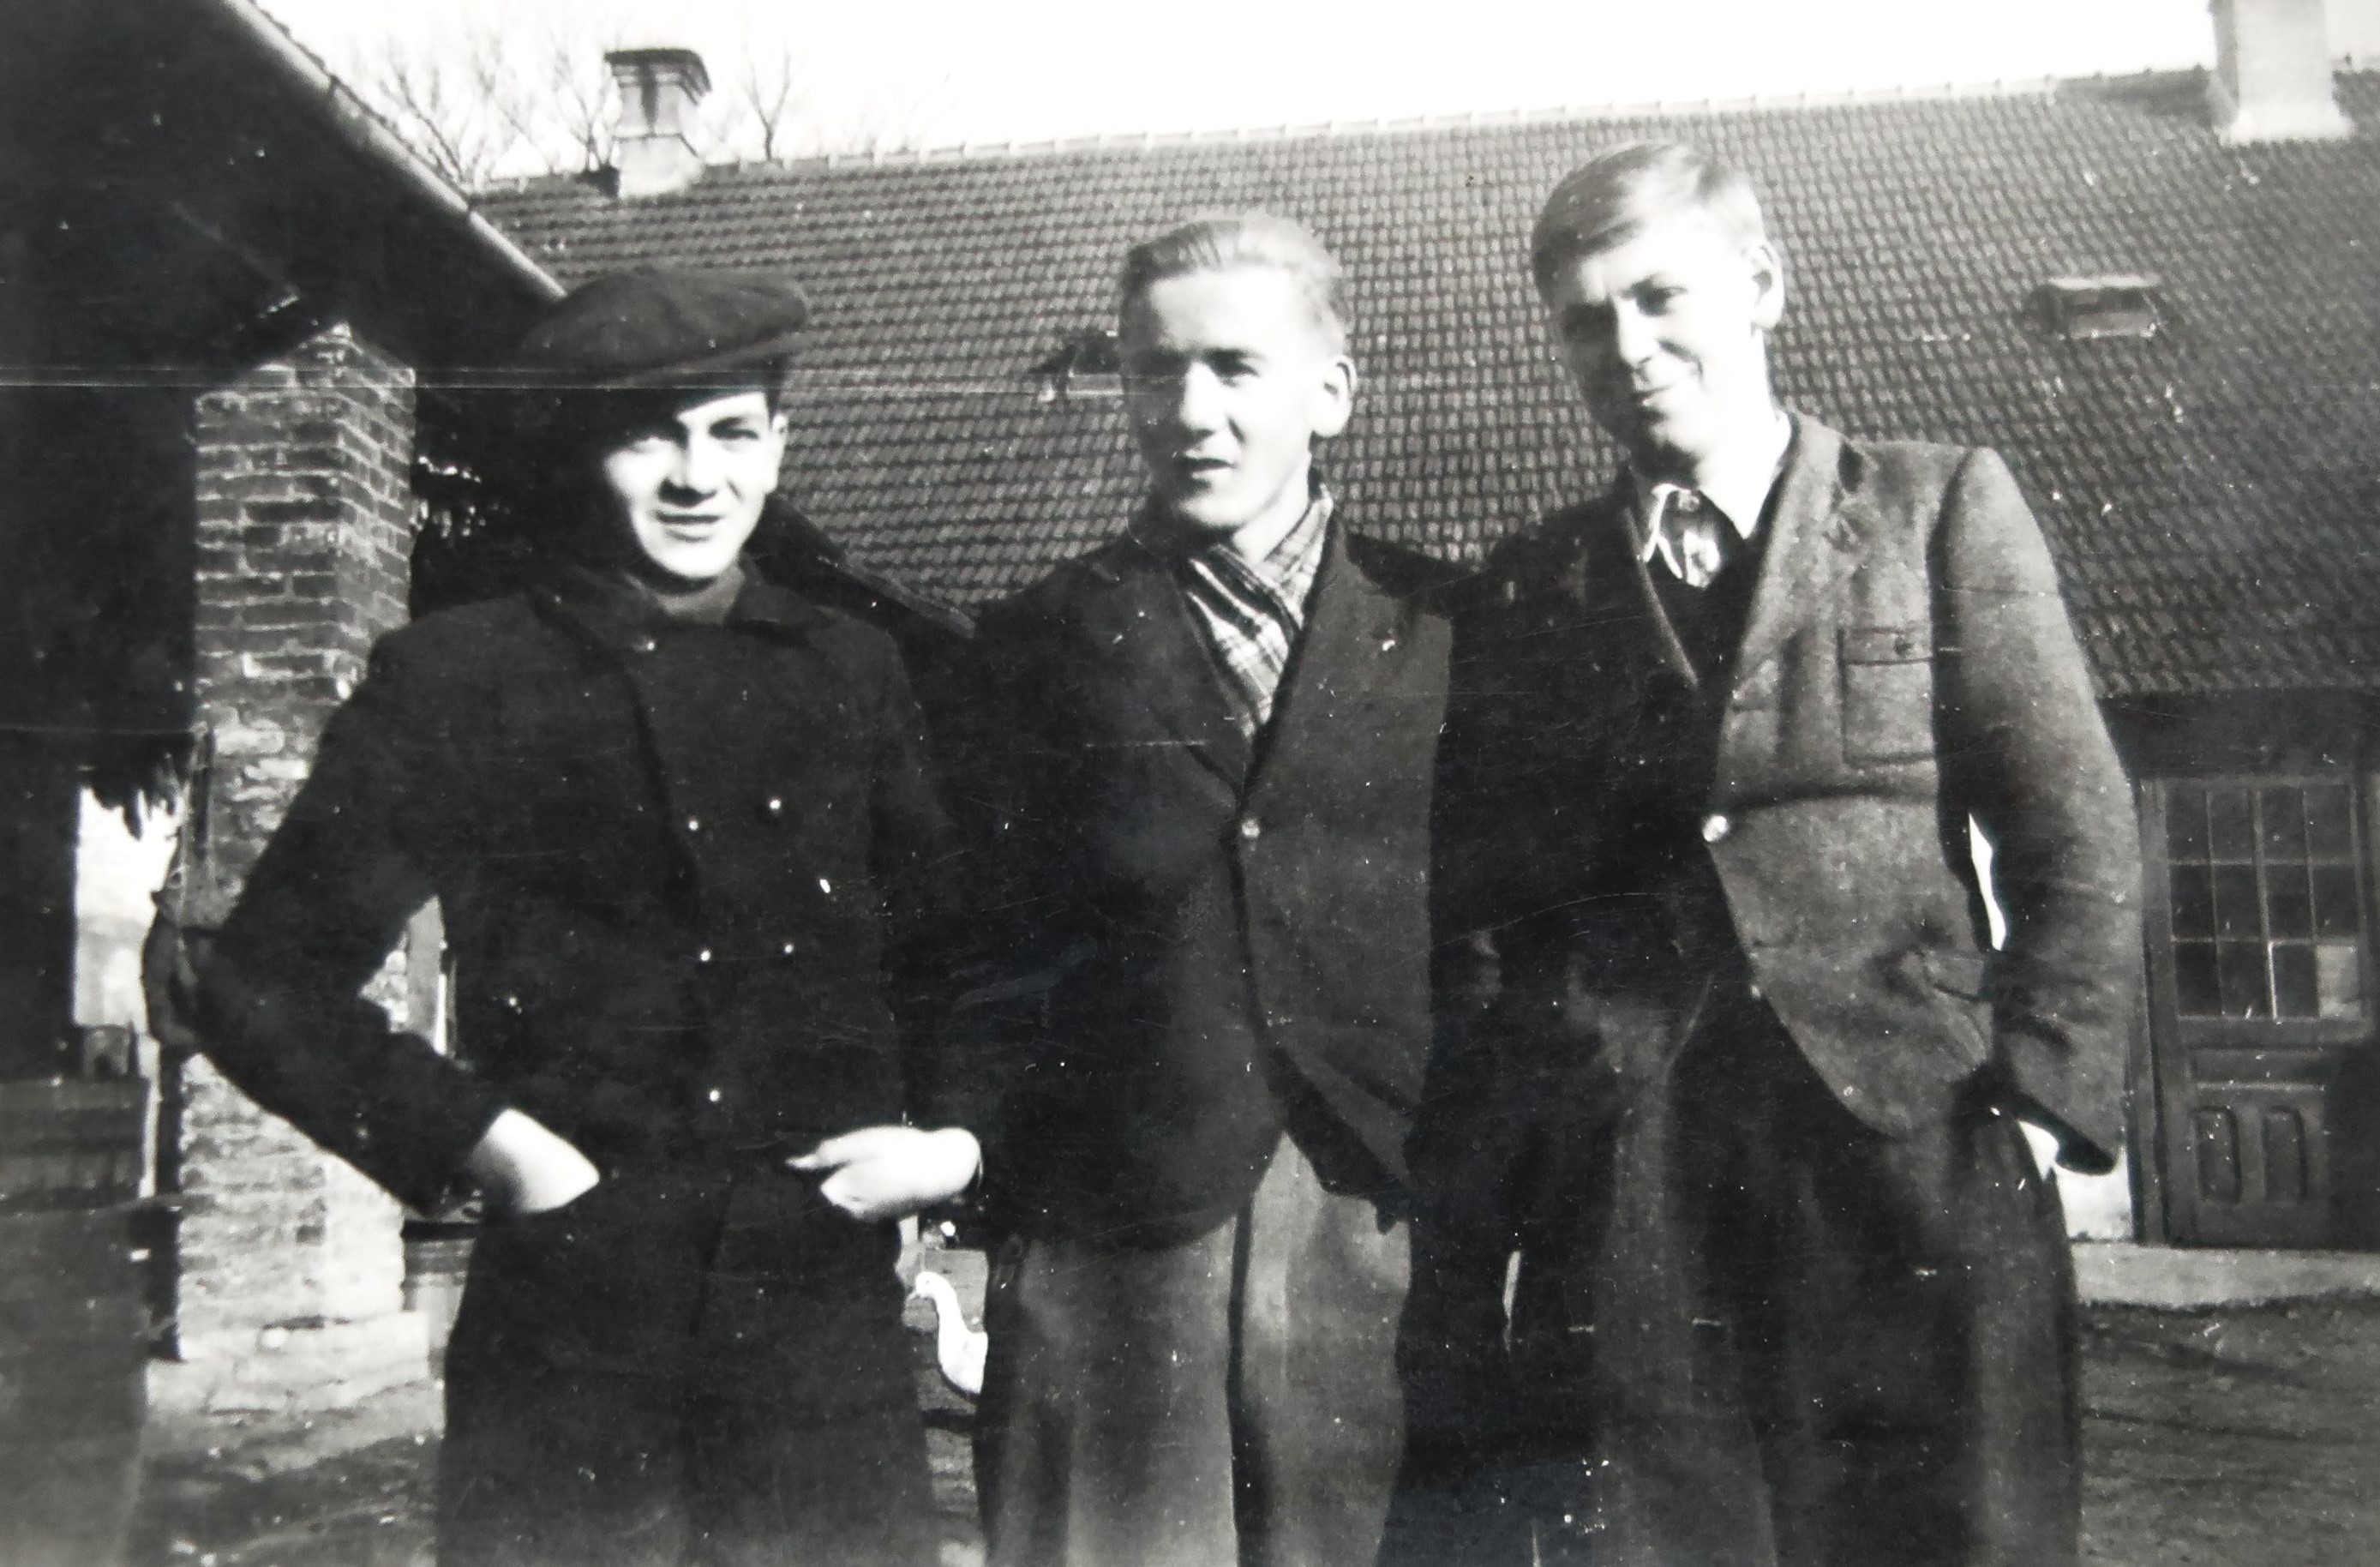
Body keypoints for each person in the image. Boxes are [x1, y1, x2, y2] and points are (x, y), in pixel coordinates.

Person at [1416, 143, 2143, 1566]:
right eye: (1585, 320)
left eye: (1658, 297)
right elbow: (1491, 902)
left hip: (1915, 1148)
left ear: (1758, 286)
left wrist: (2038, 1102)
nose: (1628, 347)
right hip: (1635, 1184)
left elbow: (2073, 825)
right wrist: (1529, 1145)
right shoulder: (1530, 585)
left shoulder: (1934, 509)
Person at [185, 268, 980, 1567]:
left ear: (779, 446)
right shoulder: (459, 675)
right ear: (579, 450)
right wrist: (495, 1151)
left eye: (732, 432)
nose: (697, 477)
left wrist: (948, 1145)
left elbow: (957, 957)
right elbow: (261, 982)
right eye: (649, 436)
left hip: (814, 1308)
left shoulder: (851, 669)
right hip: (568, 1311)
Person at [955, 213, 1455, 1567]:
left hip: (1381, 1214)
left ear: (1329, 393)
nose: (1190, 412)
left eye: (1234, 368)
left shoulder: (1450, 630)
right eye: (1154, 371)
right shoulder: (1029, 645)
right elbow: (978, 949)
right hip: (1112, 1221)